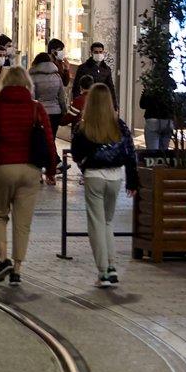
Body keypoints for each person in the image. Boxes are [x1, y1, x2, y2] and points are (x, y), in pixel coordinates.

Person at [0, 66, 58, 287]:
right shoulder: (36, 108)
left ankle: (3, 260)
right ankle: (17, 270)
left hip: (2, 168)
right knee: (23, 222)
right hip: (30, 171)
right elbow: (49, 141)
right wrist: (51, 170)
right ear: (27, 84)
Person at [71, 84, 138, 288]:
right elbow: (130, 153)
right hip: (115, 177)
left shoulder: (84, 127)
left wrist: (84, 165)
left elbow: (76, 153)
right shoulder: (120, 125)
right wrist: (132, 180)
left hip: (94, 176)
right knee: (108, 222)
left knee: (96, 224)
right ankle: (112, 266)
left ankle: (103, 272)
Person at [139, 74, 175, 152]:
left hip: (153, 118)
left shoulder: (151, 85)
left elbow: (142, 104)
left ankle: (154, 159)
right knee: (164, 152)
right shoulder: (170, 84)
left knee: (153, 152)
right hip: (167, 120)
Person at [30, 52, 68, 126]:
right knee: (52, 133)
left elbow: (32, 97)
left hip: (39, 113)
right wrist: (64, 111)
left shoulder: (32, 77)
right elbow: (62, 97)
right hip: (55, 113)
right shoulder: (57, 76)